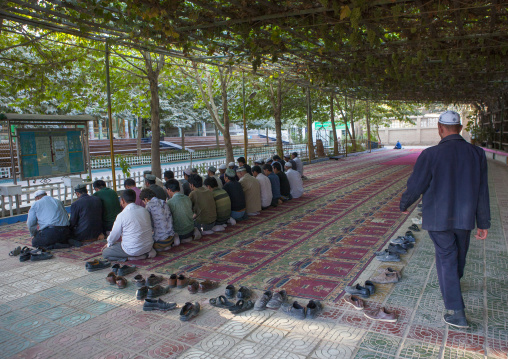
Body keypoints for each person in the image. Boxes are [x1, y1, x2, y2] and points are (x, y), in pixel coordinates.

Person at [399, 110, 490, 329]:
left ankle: (456, 312)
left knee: (447, 257)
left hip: (438, 218)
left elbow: (416, 184)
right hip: (465, 217)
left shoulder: (430, 155)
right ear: (460, 128)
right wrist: (483, 222)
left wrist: (405, 204)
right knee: (458, 254)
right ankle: (453, 285)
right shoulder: (477, 153)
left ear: (440, 129)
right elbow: (482, 190)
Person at [102, 189, 156, 261]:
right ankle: (144, 254)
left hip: (132, 250)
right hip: (148, 247)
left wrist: (109, 244)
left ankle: (131, 258)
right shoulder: (144, 210)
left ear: (122, 200)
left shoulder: (122, 215)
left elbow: (114, 235)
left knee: (105, 253)